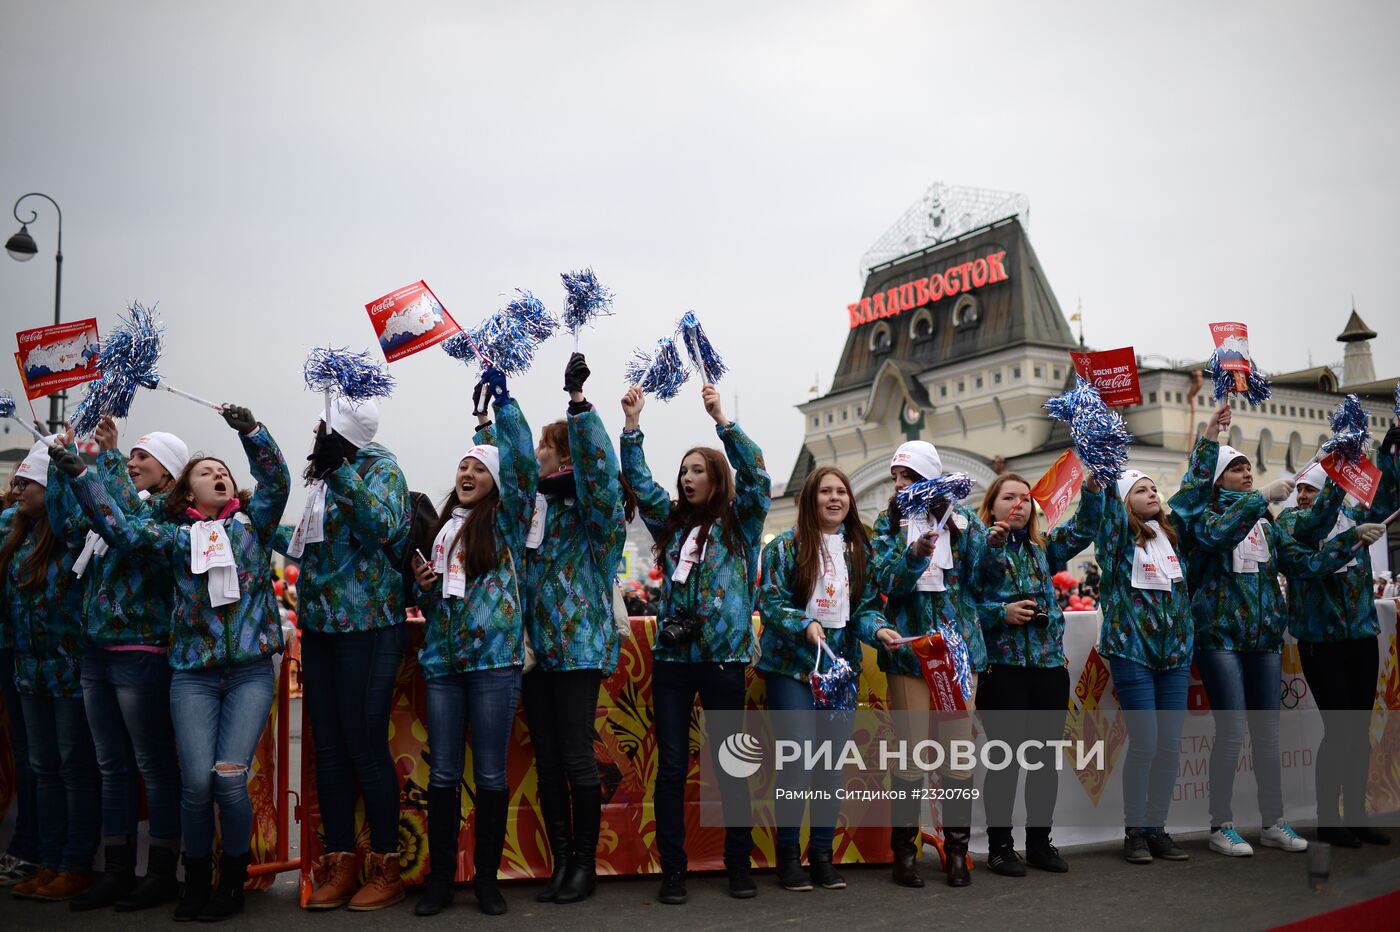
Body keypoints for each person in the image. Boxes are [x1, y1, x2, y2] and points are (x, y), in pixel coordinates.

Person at [59, 404, 289, 921]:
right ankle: (195, 881)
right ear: (189, 493)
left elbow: (276, 479)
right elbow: (120, 527)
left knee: (228, 779)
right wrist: (79, 474)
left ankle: (231, 879)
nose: (220, 476)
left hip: (249, 673)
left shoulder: (256, 527)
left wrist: (251, 433)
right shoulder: (176, 539)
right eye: (207, 473)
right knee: (195, 784)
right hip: (192, 677)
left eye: (225, 472)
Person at [1171, 404, 1371, 858]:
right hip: (1219, 638)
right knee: (1233, 730)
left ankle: (1272, 822)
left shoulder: (1264, 523)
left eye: (1247, 466)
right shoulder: (1206, 518)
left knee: (1267, 734)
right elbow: (1217, 536)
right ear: (1218, 478)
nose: (1245, 472)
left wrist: (1351, 540)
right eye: (1235, 468)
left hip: (1263, 640)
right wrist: (1259, 496)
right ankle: (1221, 824)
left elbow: (1301, 562)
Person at [620, 382, 770, 906]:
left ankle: (737, 864)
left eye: (697, 470)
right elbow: (639, 483)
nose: (686, 478)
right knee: (672, 767)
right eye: (683, 471)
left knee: (731, 765)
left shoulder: (741, 523)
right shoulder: (674, 524)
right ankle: (674, 871)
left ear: (717, 478)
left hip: (724, 661)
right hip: (673, 662)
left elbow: (759, 475)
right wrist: (633, 428)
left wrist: (722, 420)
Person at [47, 417, 188, 912]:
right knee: (111, 766)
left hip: (140, 651)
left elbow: (130, 531)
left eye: (140, 459)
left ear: (169, 473)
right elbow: (68, 525)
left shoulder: (176, 517)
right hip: (96, 651)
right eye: (129, 458)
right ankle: (117, 870)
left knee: (151, 763)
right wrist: (60, 470)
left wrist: (101, 465)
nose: (131, 463)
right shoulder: (112, 508)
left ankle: (163, 871)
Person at [409, 371, 534, 918]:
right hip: (441, 661)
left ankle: (486, 879)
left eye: (479, 467)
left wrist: (502, 409)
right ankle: (440, 880)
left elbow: (524, 465)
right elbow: (436, 600)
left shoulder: (505, 521)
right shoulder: (441, 526)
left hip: (493, 666)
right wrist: (425, 588)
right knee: (441, 775)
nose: (467, 472)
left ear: (496, 481)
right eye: (463, 465)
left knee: (488, 773)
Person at [281, 397, 411, 912]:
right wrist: (243, 524)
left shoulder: (383, 471)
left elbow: (381, 526)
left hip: (369, 627)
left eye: (323, 427)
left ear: (341, 435)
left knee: (363, 745)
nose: (314, 431)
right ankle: (339, 863)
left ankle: (386, 864)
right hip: (320, 628)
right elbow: (304, 545)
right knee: (330, 749)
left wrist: (340, 472)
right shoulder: (323, 479)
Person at [507, 353, 624, 905]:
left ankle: (584, 865)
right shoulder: (533, 511)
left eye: (543, 450)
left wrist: (579, 407)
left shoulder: (592, 513)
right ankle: (560, 862)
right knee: (547, 759)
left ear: (563, 455)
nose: (535, 459)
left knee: (576, 755)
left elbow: (602, 471)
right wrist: (499, 412)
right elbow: (509, 468)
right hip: (534, 650)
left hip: (578, 647)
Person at [756, 466, 899, 892]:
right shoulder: (784, 548)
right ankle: (787, 857)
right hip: (792, 669)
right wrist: (804, 624)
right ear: (810, 500)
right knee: (799, 763)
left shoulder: (861, 551)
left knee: (829, 768)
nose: (834, 498)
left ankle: (821, 854)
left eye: (841, 492)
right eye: (825, 492)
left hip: (839, 672)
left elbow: (868, 608)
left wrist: (879, 631)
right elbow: (770, 600)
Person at [871, 441, 1005, 888]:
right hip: (910, 651)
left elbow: (984, 583)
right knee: (909, 753)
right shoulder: (889, 524)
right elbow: (886, 582)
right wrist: (913, 555)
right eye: (895, 477)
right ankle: (904, 856)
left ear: (929, 478)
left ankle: (956, 851)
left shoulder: (962, 522)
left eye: (906, 476)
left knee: (957, 753)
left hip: (957, 650)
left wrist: (993, 549)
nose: (898, 485)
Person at [973, 470, 1102, 876]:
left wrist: (1093, 489)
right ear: (991, 506)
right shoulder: (975, 549)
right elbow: (960, 607)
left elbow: (1083, 528)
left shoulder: (1041, 547)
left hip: (1048, 666)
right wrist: (1001, 613)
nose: (1019, 504)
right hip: (1003, 668)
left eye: (1025, 499)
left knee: (1044, 759)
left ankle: (1040, 843)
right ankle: (999, 846)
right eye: (1009, 498)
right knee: (1006, 761)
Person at [1279, 451, 1394, 847]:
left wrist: (1391, 455)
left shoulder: (1352, 518)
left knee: (1359, 731)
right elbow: (1313, 550)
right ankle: (1328, 818)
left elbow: (1385, 493)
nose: (1307, 495)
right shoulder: (1293, 522)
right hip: (1320, 642)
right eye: (1303, 488)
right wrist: (1350, 530)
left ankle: (1357, 815)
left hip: (1361, 636)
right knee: (1339, 730)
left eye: (1315, 487)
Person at [4, 439, 99, 902]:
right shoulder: (15, 534)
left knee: (71, 769)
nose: (17, 490)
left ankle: (75, 863)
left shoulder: (69, 537)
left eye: (28, 482)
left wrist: (66, 472)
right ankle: (45, 859)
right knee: (42, 769)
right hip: (28, 671)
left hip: (69, 673)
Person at [1096, 462, 1196, 864]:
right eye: (1140, 490)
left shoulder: (1171, 537)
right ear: (1124, 502)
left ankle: (1157, 829)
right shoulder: (1118, 540)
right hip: (1132, 652)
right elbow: (1105, 517)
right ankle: (1134, 831)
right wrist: (1102, 471)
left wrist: (1207, 438)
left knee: (1169, 747)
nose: (1152, 494)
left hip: (1174, 656)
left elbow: (1191, 498)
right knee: (1147, 743)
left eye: (1154, 488)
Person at [0, 479, 42, 889]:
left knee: (44, 764)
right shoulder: (10, 527)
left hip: (50, 665)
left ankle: (37, 849)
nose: (17, 489)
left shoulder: (61, 532)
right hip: (13, 652)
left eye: (28, 482)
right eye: (15, 481)